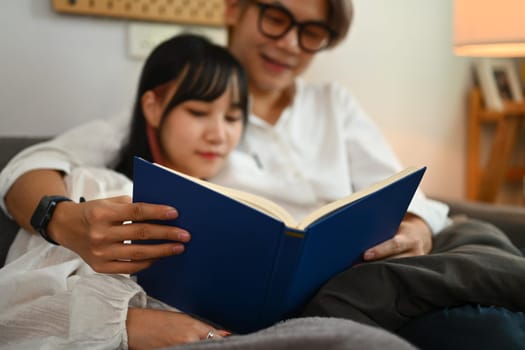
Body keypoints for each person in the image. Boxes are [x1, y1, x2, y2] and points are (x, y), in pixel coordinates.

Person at [1, 0, 525, 347]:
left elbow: (405, 190)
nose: (291, 44)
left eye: (312, 32)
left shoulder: (331, 104)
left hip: (371, 261)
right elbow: (33, 167)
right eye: (277, 18)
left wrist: (416, 227)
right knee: (485, 319)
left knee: (472, 240)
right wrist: (64, 221)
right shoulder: (192, 100)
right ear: (236, 8)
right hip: (317, 292)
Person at [0, 33, 249, 349]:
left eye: (232, 117)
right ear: (153, 107)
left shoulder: (241, 197)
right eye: (198, 112)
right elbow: (12, 316)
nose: (219, 135)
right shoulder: (98, 189)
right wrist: (127, 325)